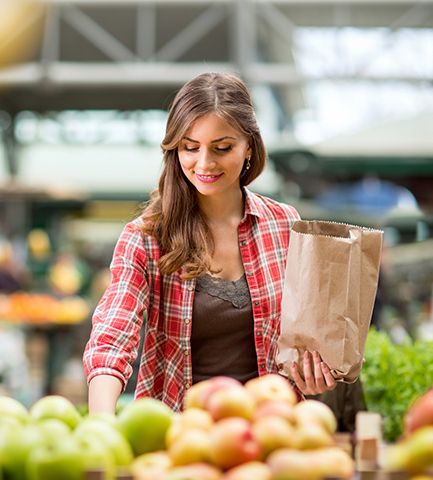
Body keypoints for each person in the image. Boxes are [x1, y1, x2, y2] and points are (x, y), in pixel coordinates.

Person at [83, 72, 337, 414]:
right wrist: (102, 420)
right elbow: (113, 333)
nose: (204, 163)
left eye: (223, 148)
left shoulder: (284, 225)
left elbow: (309, 337)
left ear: (249, 145)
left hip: (271, 429)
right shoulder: (146, 236)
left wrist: (316, 372)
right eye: (190, 147)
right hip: (180, 434)